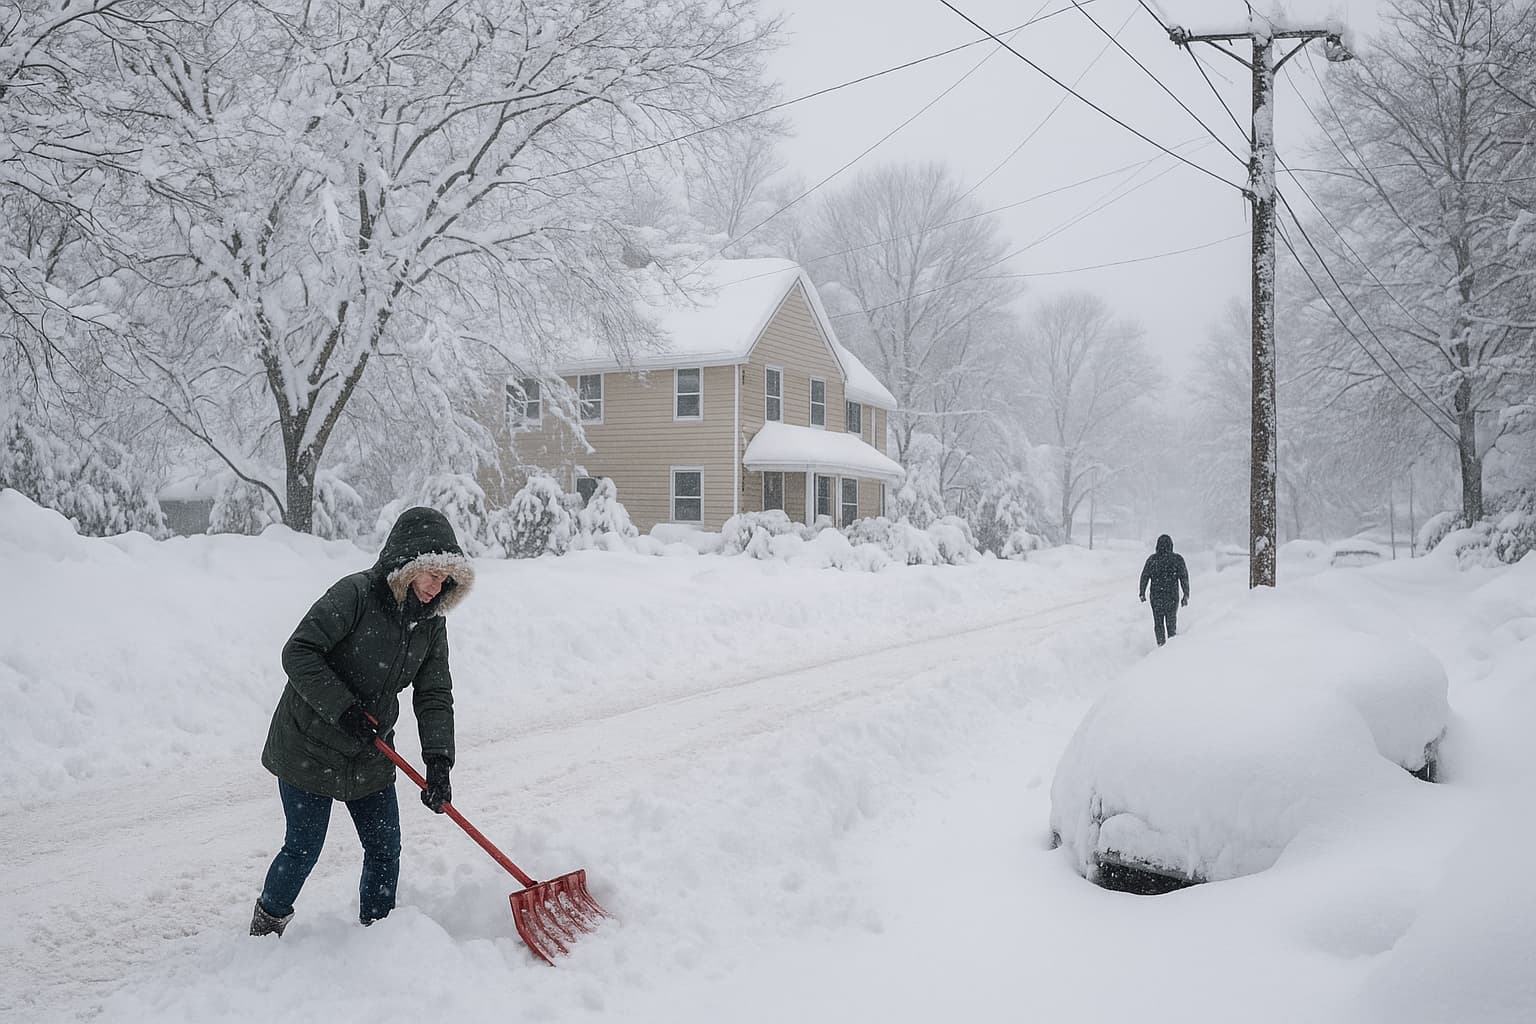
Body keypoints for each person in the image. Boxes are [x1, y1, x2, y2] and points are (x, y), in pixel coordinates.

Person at [250, 506, 475, 937]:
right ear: (408, 565)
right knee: (303, 847)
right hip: (309, 744)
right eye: (431, 574)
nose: (436, 587)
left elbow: (433, 694)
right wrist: (343, 708)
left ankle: (378, 932)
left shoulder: (430, 624)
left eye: (445, 580)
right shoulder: (355, 595)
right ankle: (267, 925)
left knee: (385, 847)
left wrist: (439, 761)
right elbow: (298, 652)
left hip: (368, 750)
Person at [1138, 533, 1190, 647]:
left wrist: (1142, 592)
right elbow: (1184, 577)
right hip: (1172, 597)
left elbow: (1144, 576)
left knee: (1158, 623)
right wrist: (1186, 595)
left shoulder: (1152, 560)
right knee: (1171, 622)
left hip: (1156, 597)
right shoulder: (1177, 559)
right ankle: (1171, 645)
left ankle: (1161, 644)